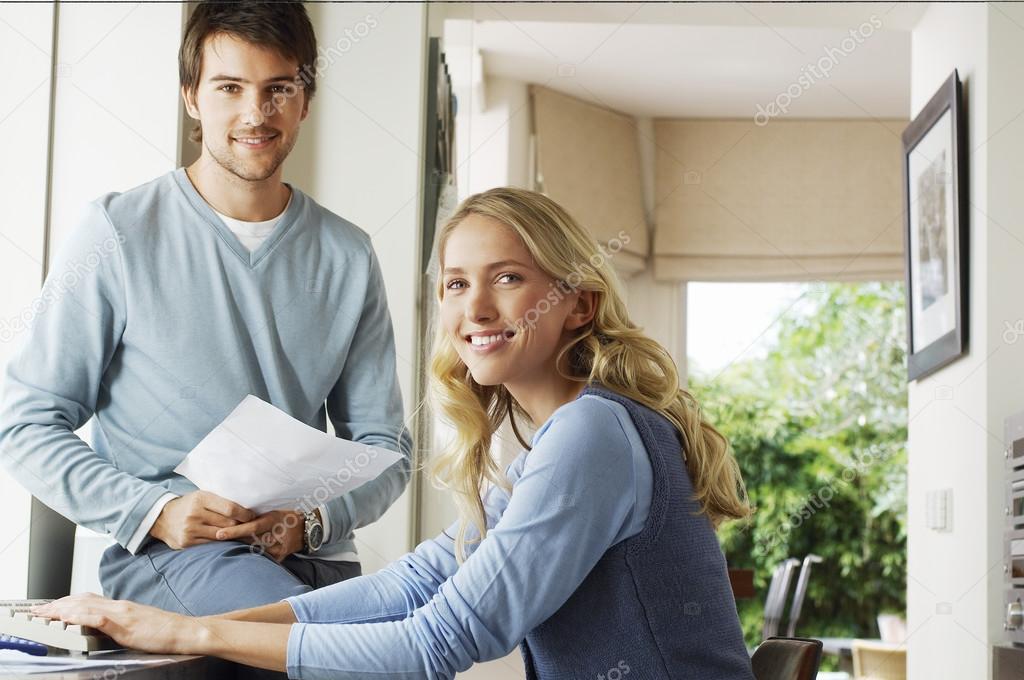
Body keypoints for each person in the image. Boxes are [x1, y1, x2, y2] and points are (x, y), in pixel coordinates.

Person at [34, 188, 755, 680]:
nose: (474, 306)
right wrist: (175, 625)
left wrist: (189, 633)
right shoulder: (559, 438)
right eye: (454, 283)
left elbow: (439, 640)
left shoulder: (589, 436)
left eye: (507, 278)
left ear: (577, 305)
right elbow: (421, 582)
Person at [0, 0, 411, 616]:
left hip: (318, 554)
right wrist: (155, 511)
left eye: (279, 88)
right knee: (313, 639)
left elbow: (386, 445)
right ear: (191, 96)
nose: (256, 113)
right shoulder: (117, 231)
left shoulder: (348, 254)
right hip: (180, 555)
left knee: (418, 642)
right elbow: (24, 425)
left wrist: (316, 519)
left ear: (306, 99)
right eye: (229, 87)